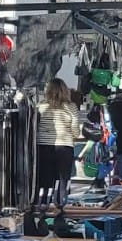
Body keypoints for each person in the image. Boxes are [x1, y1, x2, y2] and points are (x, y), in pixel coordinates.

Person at [35, 78, 81, 207]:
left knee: (45, 177)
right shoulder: (71, 107)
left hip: (43, 146)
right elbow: (75, 130)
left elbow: (34, 126)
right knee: (62, 179)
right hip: (64, 146)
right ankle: (60, 205)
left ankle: (43, 204)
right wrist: (73, 135)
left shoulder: (40, 106)